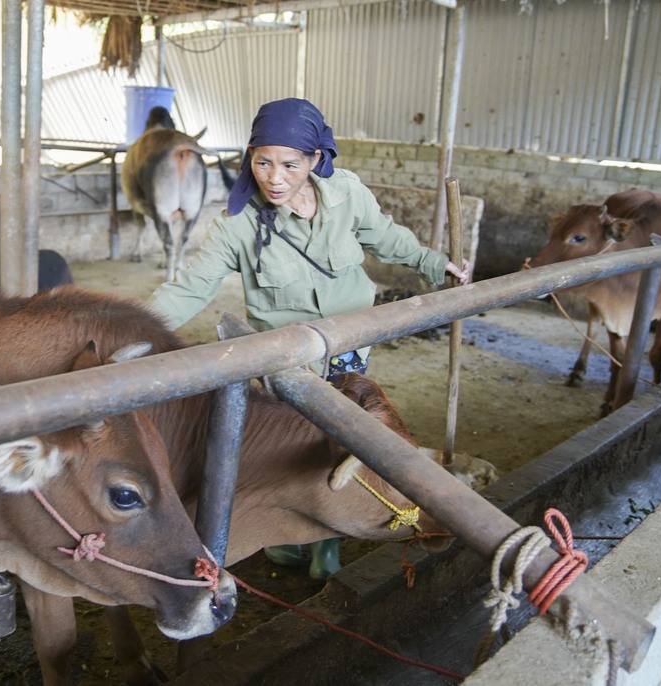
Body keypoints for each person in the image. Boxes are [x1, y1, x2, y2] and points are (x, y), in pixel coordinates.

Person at [145, 98, 470, 580]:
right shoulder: (238, 224)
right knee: (284, 451)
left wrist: (431, 261)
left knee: (343, 447)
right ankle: (281, 539)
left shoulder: (347, 195)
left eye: (290, 164)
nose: (274, 177)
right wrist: (134, 331)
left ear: (316, 159)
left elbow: (385, 236)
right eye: (262, 161)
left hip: (350, 349)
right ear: (250, 157)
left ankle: (325, 546)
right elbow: (191, 287)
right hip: (286, 363)